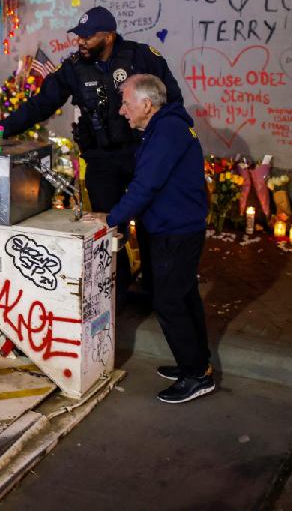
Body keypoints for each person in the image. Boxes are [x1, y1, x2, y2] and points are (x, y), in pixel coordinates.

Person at [0, 6, 183, 299]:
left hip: (141, 155)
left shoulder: (141, 57)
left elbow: (172, 100)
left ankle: (156, 291)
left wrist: (170, 145)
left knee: (150, 225)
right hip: (102, 160)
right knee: (108, 227)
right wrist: (1, 128)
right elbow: (41, 104)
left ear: (108, 36)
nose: (80, 42)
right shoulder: (73, 67)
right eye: (78, 36)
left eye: (87, 37)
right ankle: (114, 294)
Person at [97, 74, 212, 404]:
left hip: (175, 231)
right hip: (172, 226)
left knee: (169, 301)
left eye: (126, 104)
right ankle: (196, 363)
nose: (122, 111)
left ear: (146, 105)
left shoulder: (167, 132)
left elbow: (145, 186)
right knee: (185, 296)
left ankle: (197, 375)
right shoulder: (162, 128)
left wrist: (111, 218)